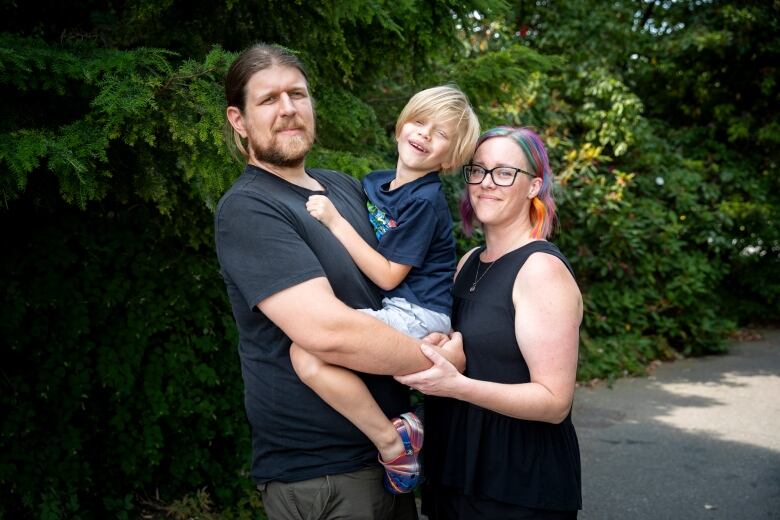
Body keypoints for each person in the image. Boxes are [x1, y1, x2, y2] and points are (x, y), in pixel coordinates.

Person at [214, 43, 464, 520]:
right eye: (268, 99)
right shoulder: (250, 209)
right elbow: (329, 333)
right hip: (321, 477)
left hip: (389, 466)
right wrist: (442, 363)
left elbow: (404, 280)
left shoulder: (345, 189)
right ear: (239, 120)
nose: (288, 109)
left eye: (297, 94)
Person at [290, 85, 480, 494]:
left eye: (441, 134)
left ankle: (394, 443)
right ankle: (407, 424)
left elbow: (389, 275)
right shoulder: (378, 184)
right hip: (399, 306)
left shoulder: (424, 201)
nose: (425, 135)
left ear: (449, 158)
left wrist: (334, 221)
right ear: (400, 126)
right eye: (419, 121)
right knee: (308, 350)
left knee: (306, 352)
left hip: (417, 312)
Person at [396, 126, 583, 519]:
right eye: (478, 170)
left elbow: (554, 402)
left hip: (516, 484)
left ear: (533, 186)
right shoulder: (468, 262)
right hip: (456, 472)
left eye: (503, 173)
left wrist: (457, 386)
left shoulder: (540, 269)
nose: (485, 183)